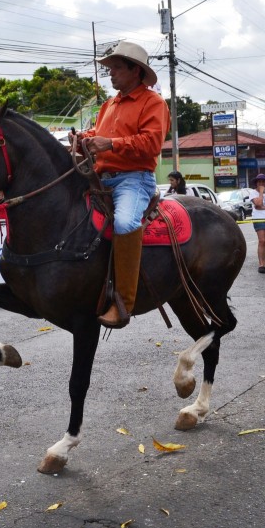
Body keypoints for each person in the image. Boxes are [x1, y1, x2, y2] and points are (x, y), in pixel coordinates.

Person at [79, 41, 169, 328]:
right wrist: (82, 140)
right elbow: (97, 133)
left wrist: (110, 144)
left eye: (117, 68)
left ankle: (123, 303)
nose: (111, 73)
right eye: (110, 69)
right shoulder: (109, 104)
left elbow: (151, 144)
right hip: (101, 178)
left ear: (135, 71)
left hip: (134, 179)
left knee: (125, 222)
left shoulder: (153, 102)